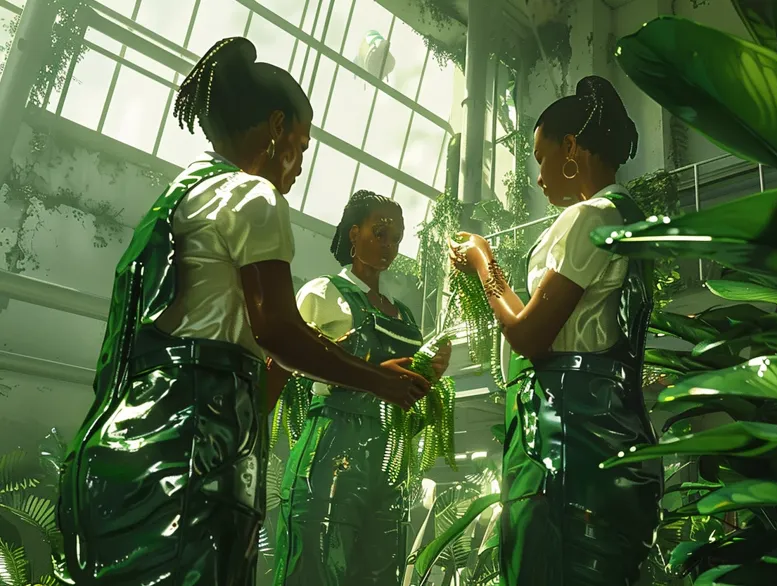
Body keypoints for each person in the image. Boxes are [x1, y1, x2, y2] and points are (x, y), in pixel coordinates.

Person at [56, 37, 430, 586]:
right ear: (275, 127)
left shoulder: (176, 200)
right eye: (300, 145)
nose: (299, 166)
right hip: (193, 450)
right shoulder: (253, 199)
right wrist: (380, 381)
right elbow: (278, 330)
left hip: (118, 448)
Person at [448, 76, 663, 585]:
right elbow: (550, 323)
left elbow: (527, 337)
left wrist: (484, 263)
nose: (539, 177)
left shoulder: (587, 217)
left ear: (571, 149)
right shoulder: (633, 221)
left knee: (549, 563)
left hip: (562, 436)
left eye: (541, 158)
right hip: (611, 426)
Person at [273, 190, 453, 586]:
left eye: (397, 238)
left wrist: (432, 374)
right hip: (331, 452)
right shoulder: (322, 294)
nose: (390, 246)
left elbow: (410, 400)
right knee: (319, 566)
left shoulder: (403, 314)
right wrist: (369, 375)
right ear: (354, 234)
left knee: (379, 572)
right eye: (381, 233)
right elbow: (287, 366)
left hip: (388, 462)